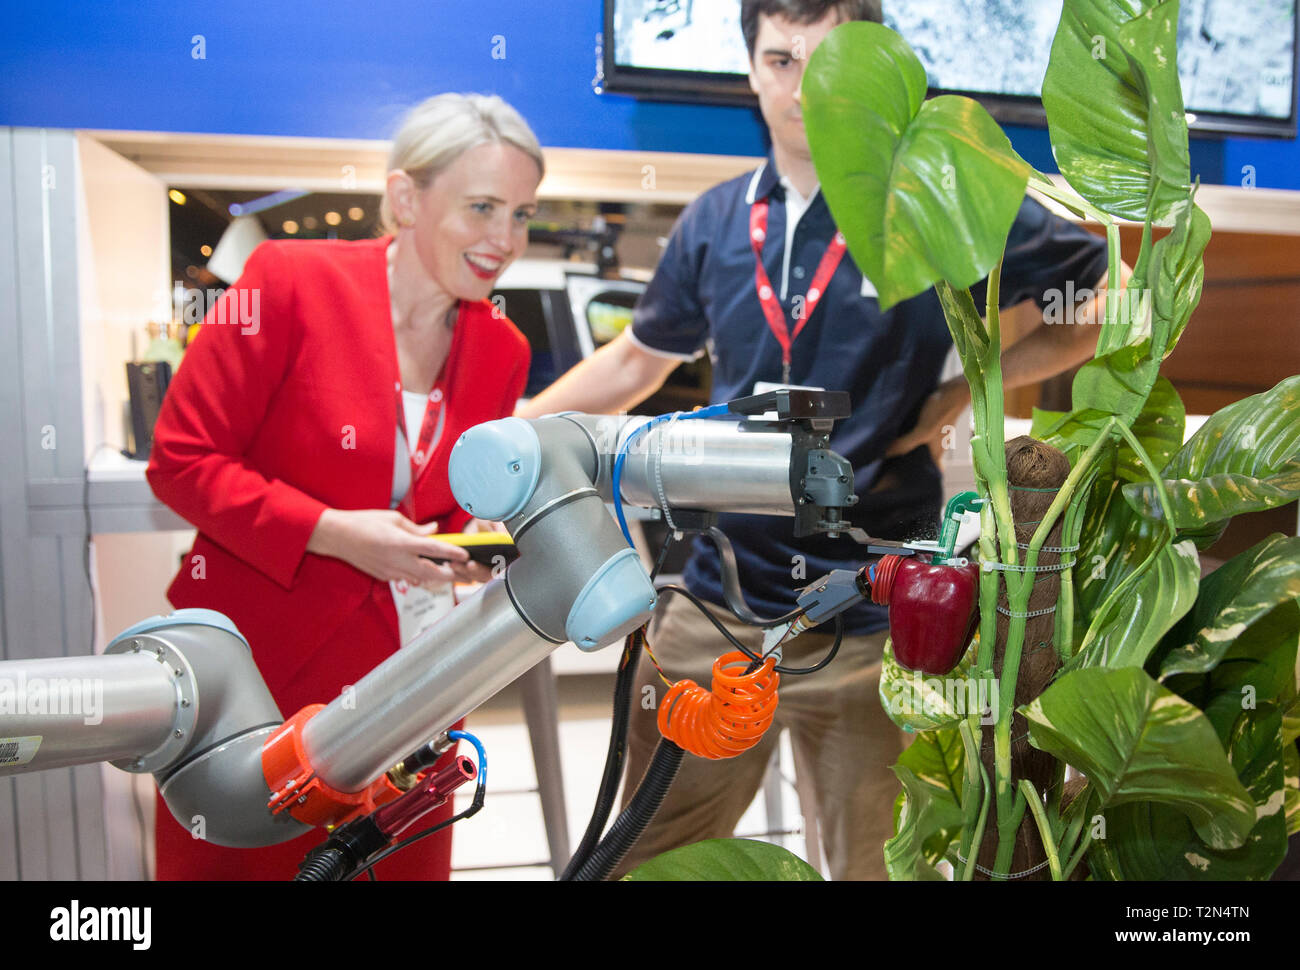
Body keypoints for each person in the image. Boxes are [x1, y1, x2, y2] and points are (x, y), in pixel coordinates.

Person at [518, 0, 1120, 880]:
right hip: (717, 599)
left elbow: (1094, 302)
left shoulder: (935, 199)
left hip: (876, 611)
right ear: (751, 72)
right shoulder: (717, 221)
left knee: (872, 861)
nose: (802, 87)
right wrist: (515, 435)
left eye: (827, 60)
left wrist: (965, 385)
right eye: (780, 60)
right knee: (654, 856)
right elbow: (633, 362)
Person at [146, 93, 544, 880]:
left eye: (523, 214)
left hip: (412, 698)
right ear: (405, 198)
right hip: (258, 685)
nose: (505, 240)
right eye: (482, 208)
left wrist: (469, 550)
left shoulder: (504, 348)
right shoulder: (289, 282)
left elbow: (462, 503)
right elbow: (182, 460)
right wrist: (332, 530)